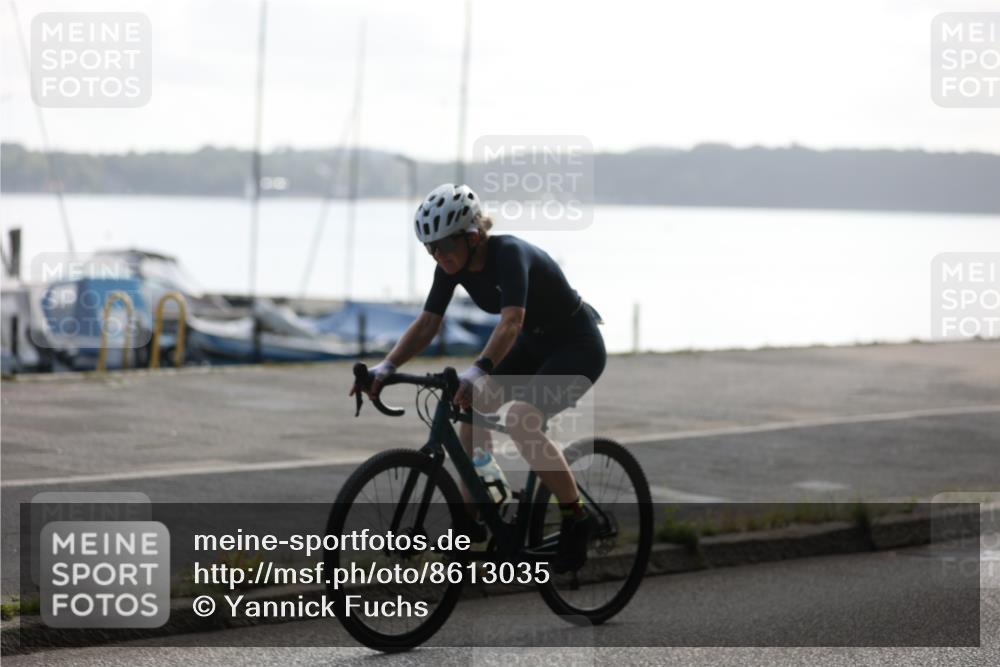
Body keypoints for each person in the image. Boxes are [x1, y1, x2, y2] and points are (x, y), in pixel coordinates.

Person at [350, 183, 606, 573]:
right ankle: (481, 501)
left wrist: (478, 370)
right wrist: (386, 367)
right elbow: (427, 323)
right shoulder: (449, 267)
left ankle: (577, 516)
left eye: (444, 245)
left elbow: (512, 322)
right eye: (430, 248)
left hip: (576, 345)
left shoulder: (510, 254)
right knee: (470, 403)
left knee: (521, 419)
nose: (438, 255)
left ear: (472, 236)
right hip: (534, 343)